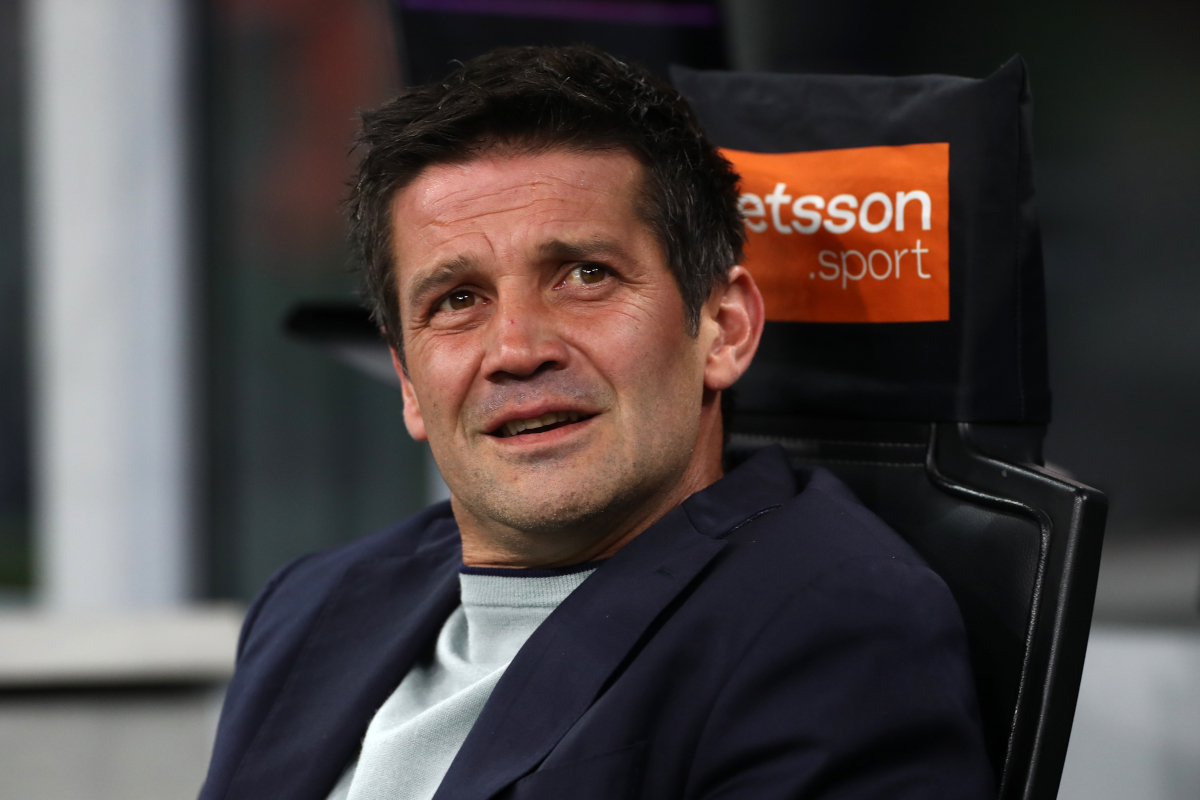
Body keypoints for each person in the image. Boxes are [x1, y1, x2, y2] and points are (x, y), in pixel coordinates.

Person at [200, 45, 994, 800]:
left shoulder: (828, 629)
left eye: (586, 275)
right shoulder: (311, 604)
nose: (517, 351)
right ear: (408, 380)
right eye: (458, 300)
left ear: (723, 329)